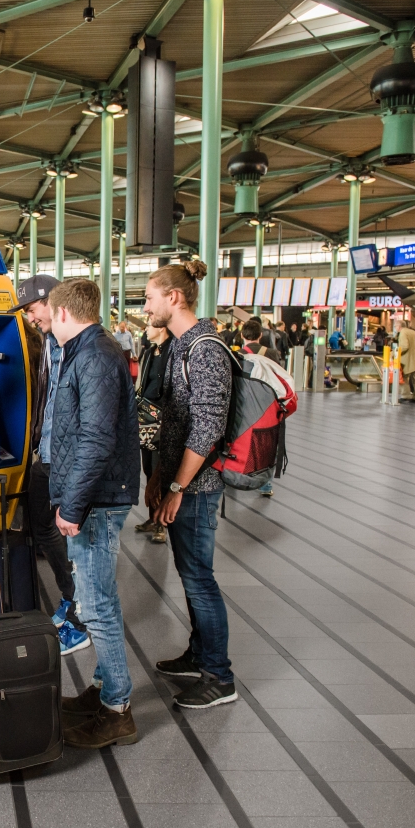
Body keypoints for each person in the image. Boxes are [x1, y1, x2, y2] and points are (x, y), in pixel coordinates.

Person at [43, 279, 140, 748]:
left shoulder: (96, 356)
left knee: (95, 605)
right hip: (94, 496)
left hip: (96, 500)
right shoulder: (90, 351)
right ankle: (104, 688)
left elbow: (96, 439)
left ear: (63, 313)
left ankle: (117, 707)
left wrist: (72, 504)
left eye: (46, 314)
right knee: (101, 598)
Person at [143, 261, 237, 710]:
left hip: (198, 488)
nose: (146, 308)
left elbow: (208, 428)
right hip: (180, 480)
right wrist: (159, 477)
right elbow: (175, 423)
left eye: (149, 298)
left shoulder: (205, 349)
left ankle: (219, 676)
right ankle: (200, 653)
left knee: (200, 579)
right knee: (189, 574)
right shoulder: (182, 345)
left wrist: (178, 489)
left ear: (173, 297)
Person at [10, 274, 91, 655]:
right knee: (43, 527)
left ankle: (81, 616)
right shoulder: (48, 345)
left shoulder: (83, 350)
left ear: (54, 303)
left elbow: (93, 427)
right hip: (45, 454)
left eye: (31, 309)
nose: (28, 317)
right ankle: (69, 598)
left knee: (75, 539)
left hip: (68, 461)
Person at [133, 323, 171, 543]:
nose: (145, 330)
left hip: (164, 419)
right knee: (148, 468)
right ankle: (152, 517)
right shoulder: (148, 352)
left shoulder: (173, 351)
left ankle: (161, 524)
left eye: (149, 326)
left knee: (160, 471)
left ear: (162, 328)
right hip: (146, 417)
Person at [239, 321, 277, 497]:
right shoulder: (271, 354)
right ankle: (265, 484)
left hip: (243, 404)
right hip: (266, 405)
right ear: (261, 335)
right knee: (264, 444)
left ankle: (234, 475)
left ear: (242, 335)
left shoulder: (237, 354)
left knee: (237, 440)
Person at [395, 319, 415, 404]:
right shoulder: (412, 332)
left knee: (403, 377)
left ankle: (405, 396)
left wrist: (394, 352)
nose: (395, 328)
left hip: (407, 359)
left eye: (395, 326)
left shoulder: (403, 332)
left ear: (399, 326)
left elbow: (404, 346)